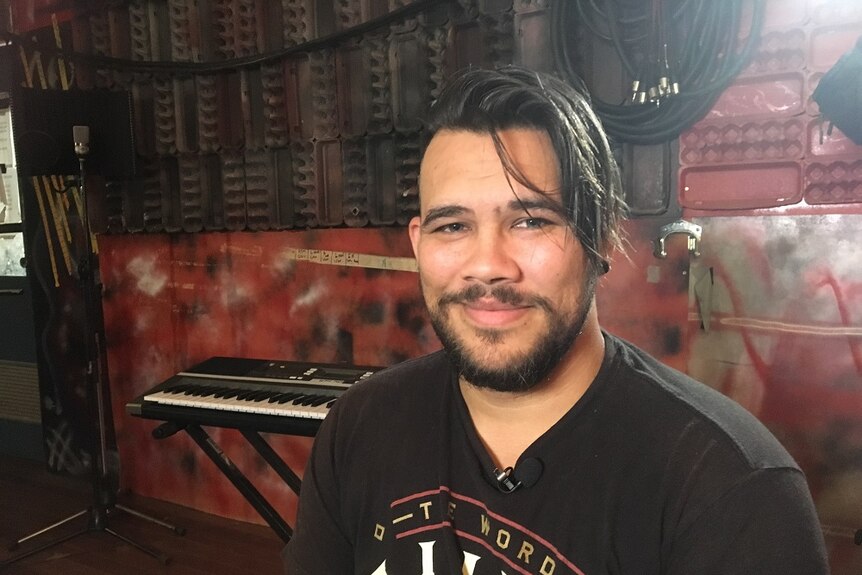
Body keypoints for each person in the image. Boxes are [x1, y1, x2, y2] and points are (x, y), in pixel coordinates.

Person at [282, 67, 829, 574]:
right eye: (452, 226)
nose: (489, 266)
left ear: (600, 240)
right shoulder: (361, 425)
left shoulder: (732, 493)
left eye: (530, 220)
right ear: (417, 244)